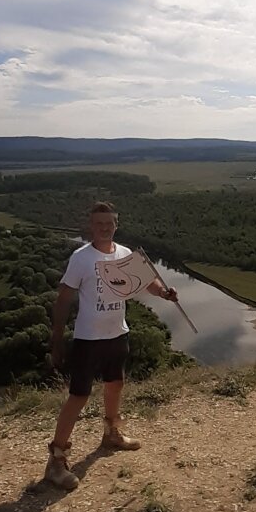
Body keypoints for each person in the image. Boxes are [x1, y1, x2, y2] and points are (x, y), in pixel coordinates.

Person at [44, 201, 178, 490]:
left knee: (115, 384)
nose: (105, 227)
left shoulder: (125, 254)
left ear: (116, 224)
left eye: (110, 223)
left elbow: (146, 282)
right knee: (79, 396)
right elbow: (64, 299)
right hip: (88, 338)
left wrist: (165, 293)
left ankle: (112, 434)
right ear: (91, 226)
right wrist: (57, 339)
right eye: (99, 223)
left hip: (117, 333)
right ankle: (56, 460)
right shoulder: (81, 258)